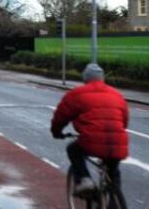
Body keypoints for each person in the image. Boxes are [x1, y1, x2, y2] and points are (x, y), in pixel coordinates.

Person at [50, 63, 129, 198]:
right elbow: (124, 121)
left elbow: (61, 117)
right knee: (113, 171)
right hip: (118, 143)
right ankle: (114, 201)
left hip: (91, 140)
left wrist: (56, 132)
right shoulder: (117, 95)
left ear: (85, 79)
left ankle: (84, 179)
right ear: (102, 78)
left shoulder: (76, 94)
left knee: (73, 150)